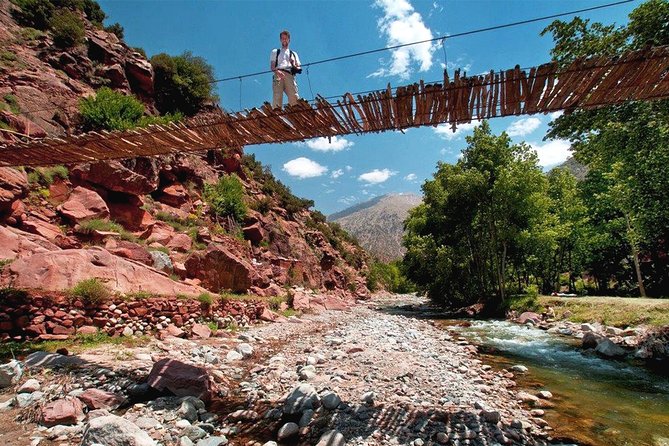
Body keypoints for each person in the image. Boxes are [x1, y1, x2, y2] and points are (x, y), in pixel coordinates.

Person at [270, 30, 301, 108]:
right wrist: (277, 72)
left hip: (290, 74)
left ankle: (296, 111)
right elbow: (272, 66)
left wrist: (293, 64)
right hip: (278, 73)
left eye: (286, 38)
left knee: (294, 96)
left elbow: (299, 68)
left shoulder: (293, 54)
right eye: (282, 38)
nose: (284, 40)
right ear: (280, 40)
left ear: (289, 40)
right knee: (277, 94)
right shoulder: (275, 52)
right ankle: (277, 112)